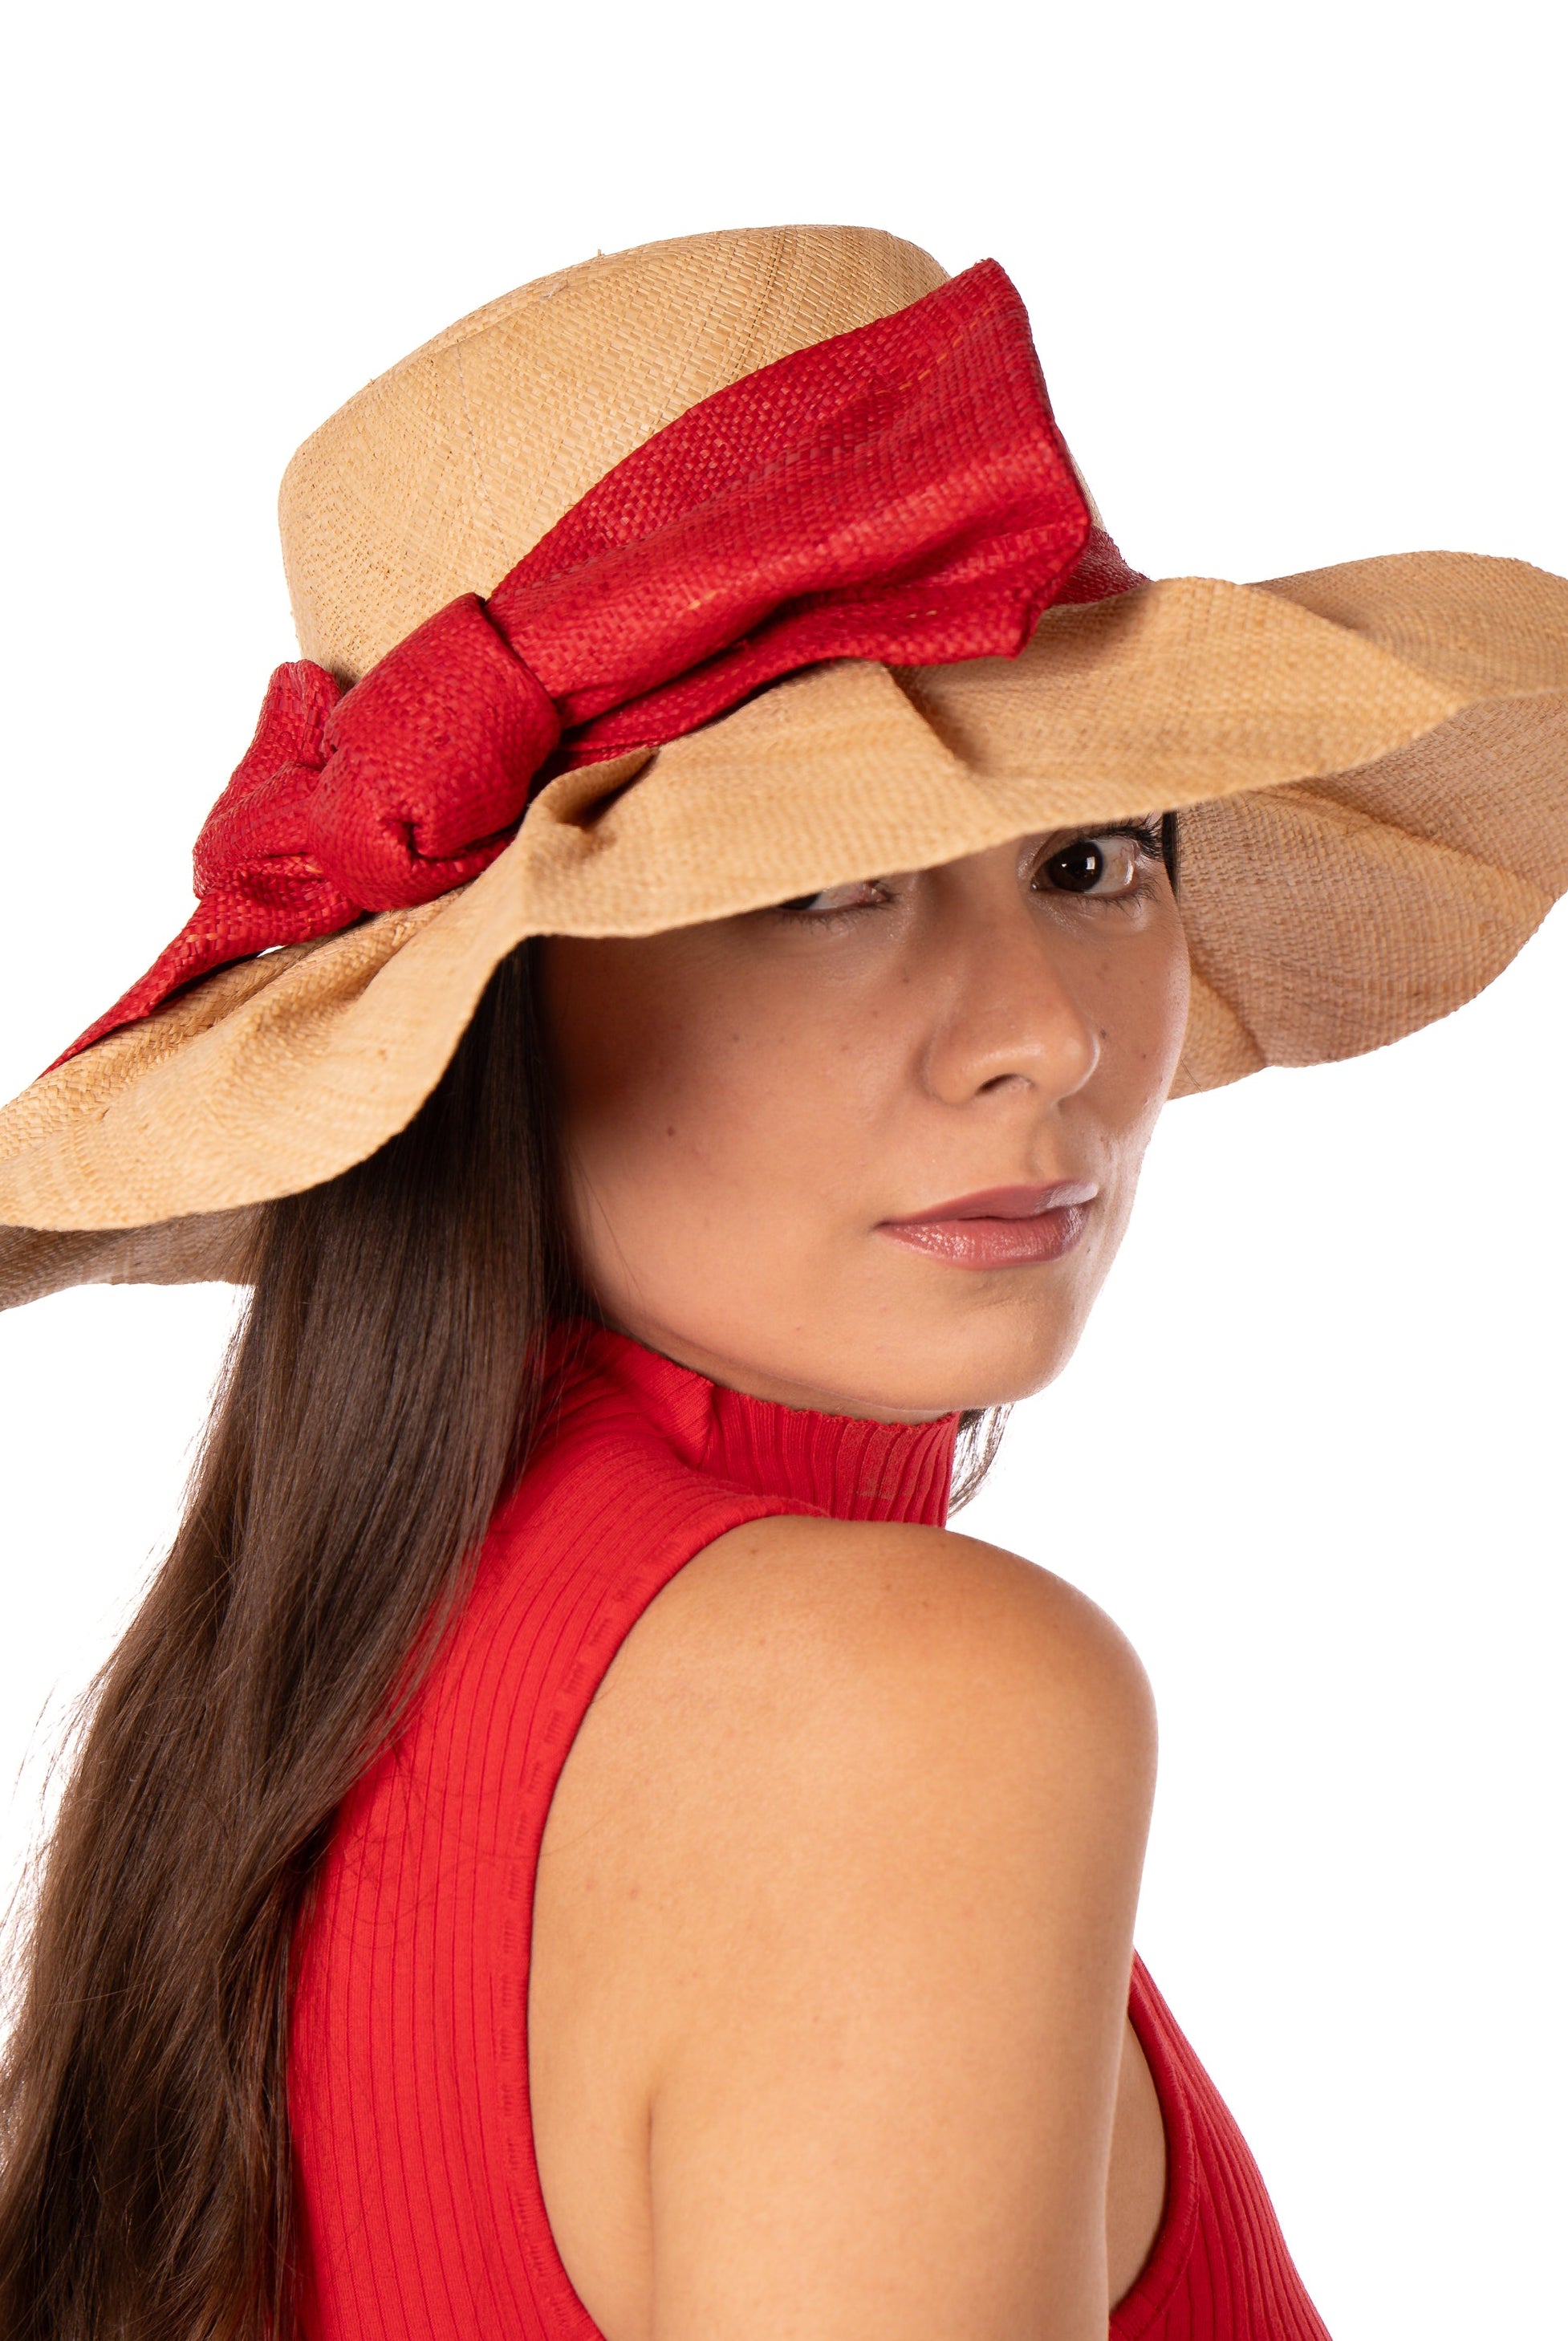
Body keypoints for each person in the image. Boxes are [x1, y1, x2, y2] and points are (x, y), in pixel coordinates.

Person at [0, 226, 1563, 2341]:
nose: (1043, 1033)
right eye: (822, 887)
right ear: (496, 1013)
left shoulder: (267, 1723)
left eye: (1095, 859)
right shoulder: (916, 1708)